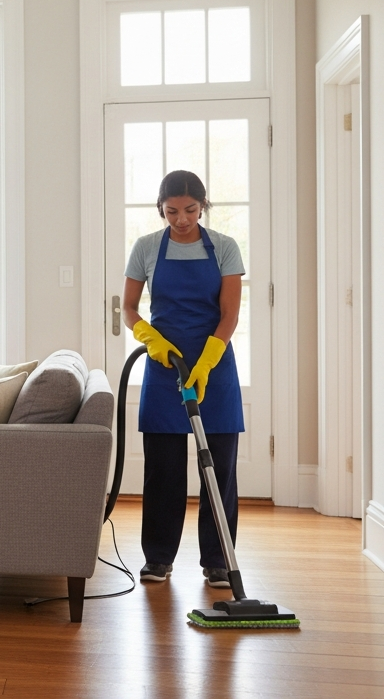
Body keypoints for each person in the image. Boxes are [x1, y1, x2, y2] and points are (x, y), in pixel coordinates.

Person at [122, 170, 245, 589]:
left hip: (215, 365)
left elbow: (229, 314)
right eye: (171, 211)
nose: (181, 219)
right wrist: (150, 340)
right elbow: (129, 309)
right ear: (161, 208)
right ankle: (158, 558)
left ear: (203, 207)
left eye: (190, 210)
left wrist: (209, 360)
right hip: (164, 368)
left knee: (220, 469)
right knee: (163, 469)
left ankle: (217, 560)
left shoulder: (225, 248)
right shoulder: (145, 248)